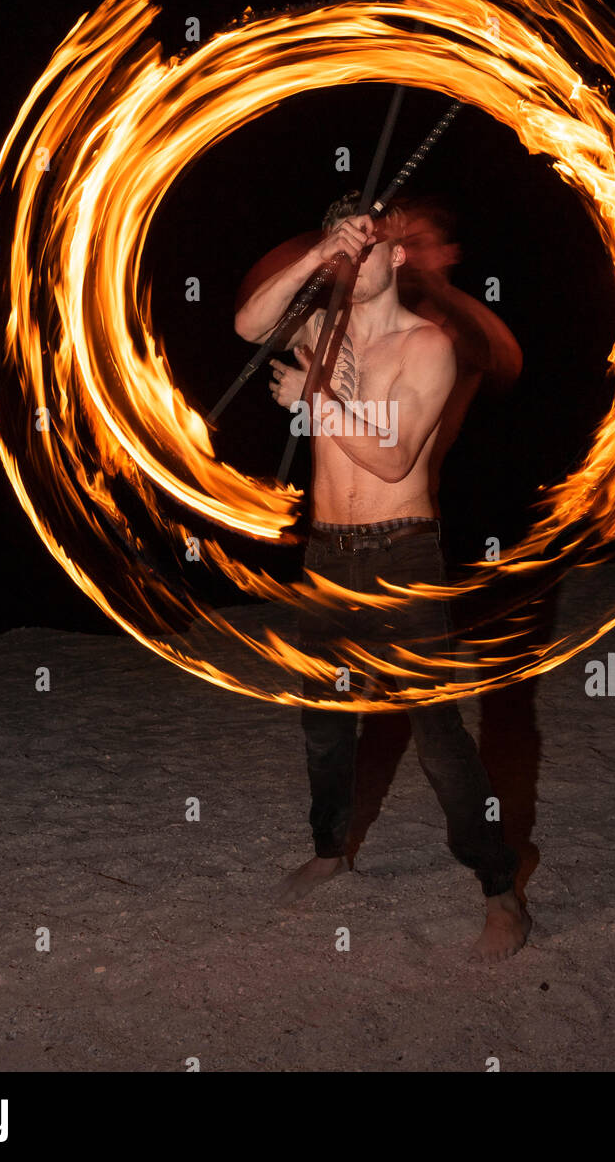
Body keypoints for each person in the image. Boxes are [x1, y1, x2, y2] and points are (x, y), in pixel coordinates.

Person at [233, 192, 530, 961]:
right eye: (342, 248)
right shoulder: (317, 327)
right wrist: (313, 252)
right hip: (326, 556)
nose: (351, 262)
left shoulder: (426, 344)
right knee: (324, 725)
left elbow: (395, 456)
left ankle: (500, 890)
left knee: (436, 737)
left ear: (395, 256)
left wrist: (315, 403)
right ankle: (332, 849)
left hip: (400, 554)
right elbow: (247, 325)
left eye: (364, 247)